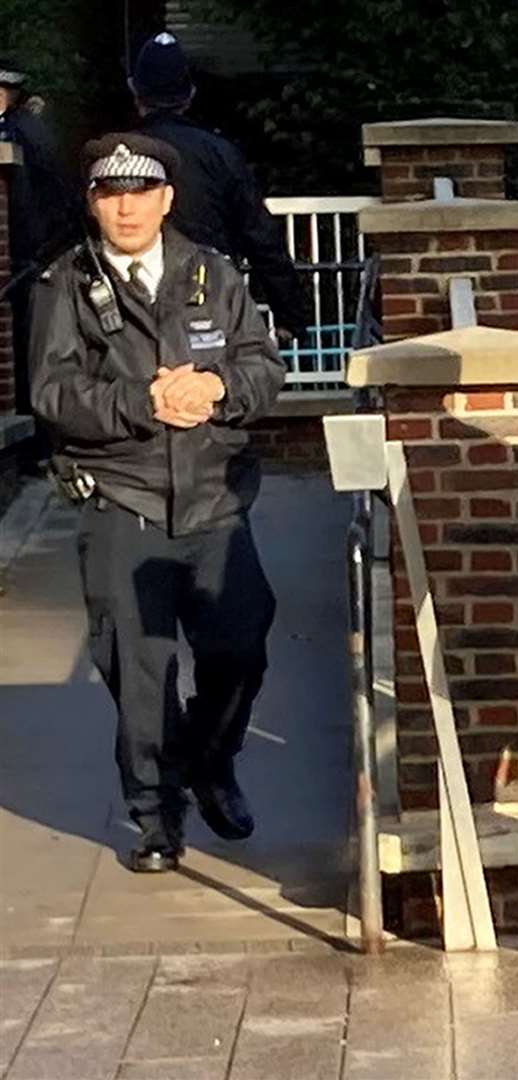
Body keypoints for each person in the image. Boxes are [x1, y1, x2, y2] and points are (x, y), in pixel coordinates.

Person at [30, 133, 287, 872]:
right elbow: (51, 393)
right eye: (110, 195)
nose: (126, 208)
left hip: (214, 503)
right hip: (122, 500)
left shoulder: (212, 275)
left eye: (139, 193)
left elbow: (261, 368)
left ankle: (211, 759)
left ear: (166, 199)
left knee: (239, 651)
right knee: (140, 678)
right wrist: (142, 402)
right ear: (94, 204)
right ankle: (155, 813)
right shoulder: (65, 286)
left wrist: (217, 388)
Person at [127, 33, 308, 340]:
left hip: (135, 302)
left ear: (136, 93)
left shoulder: (120, 153)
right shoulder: (221, 153)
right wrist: (289, 313)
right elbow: (260, 235)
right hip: (209, 295)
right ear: (190, 94)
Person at [1, 61, 78, 413]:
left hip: (29, 250)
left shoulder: (19, 132)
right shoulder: (33, 128)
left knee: (24, 346)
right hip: (40, 248)